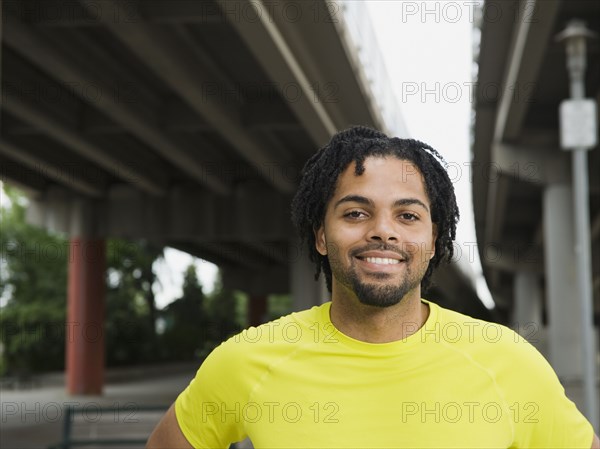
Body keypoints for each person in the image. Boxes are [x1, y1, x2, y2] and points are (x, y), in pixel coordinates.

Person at [147, 126, 599, 449]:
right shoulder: (248, 360)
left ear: (433, 238)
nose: (383, 232)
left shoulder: (507, 361)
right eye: (355, 213)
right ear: (321, 236)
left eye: (407, 216)